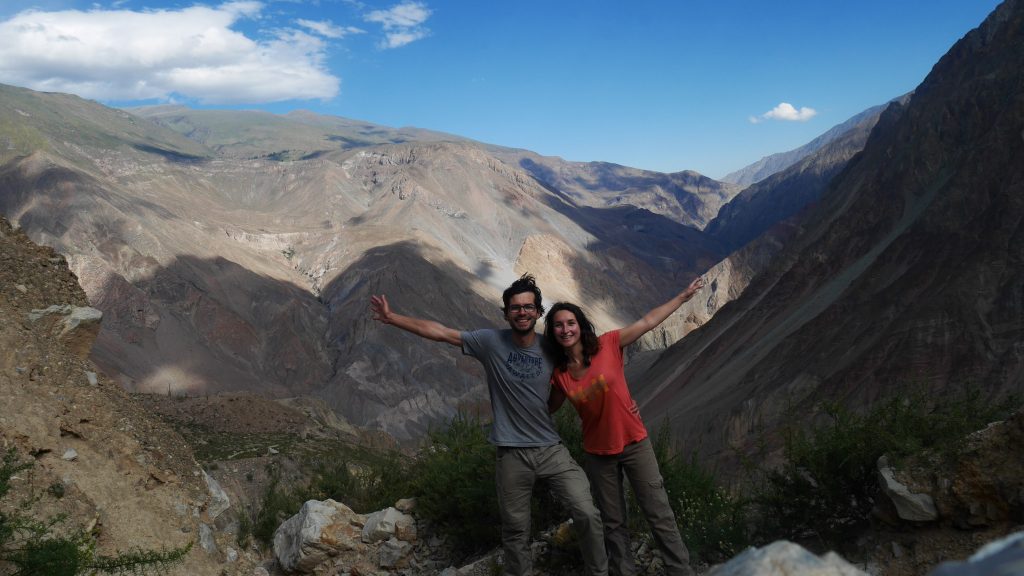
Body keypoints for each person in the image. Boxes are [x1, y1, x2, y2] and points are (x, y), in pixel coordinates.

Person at [370, 274, 608, 576]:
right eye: (515, 307)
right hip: (511, 454)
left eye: (528, 307)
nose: (522, 312)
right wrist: (392, 318)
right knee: (516, 531)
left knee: (587, 511)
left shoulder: (552, 346)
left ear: (538, 312)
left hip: (551, 449)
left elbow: (583, 366)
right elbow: (441, 333)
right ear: (506, 313)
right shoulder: (490, 342)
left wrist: (617, 403)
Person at [543, 276, 706, 576]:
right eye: (558, 325)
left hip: (634, 442)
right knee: (613, 523)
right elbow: (549, 408)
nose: (565, 330)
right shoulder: (559, 374)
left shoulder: (608, 344)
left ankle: (680, 571)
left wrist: (683, 297)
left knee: (659, 513)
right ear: (552, 332)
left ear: (580, 325)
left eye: (570, 323)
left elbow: (648, 321)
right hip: (598, 453)